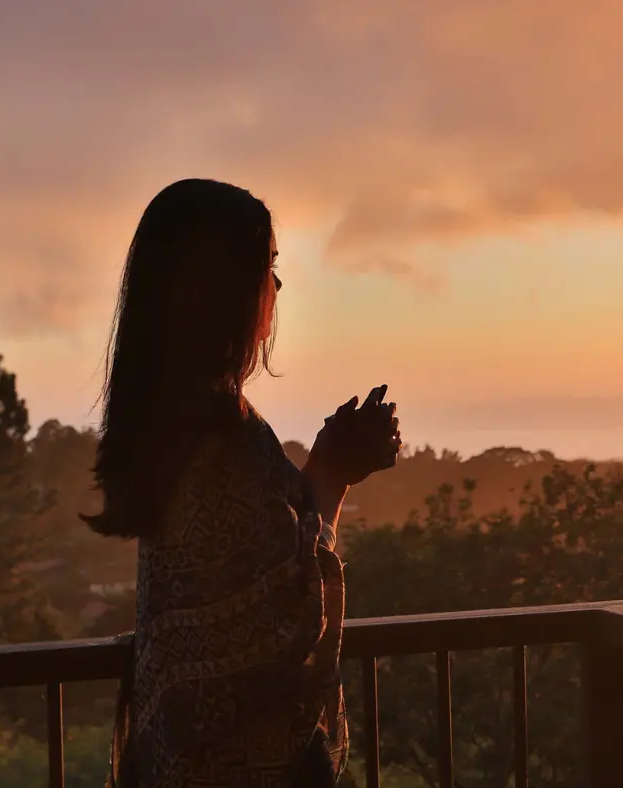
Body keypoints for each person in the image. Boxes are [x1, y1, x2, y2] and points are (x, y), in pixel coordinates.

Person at [83, 178, 400, 787]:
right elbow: (288, 608)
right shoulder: (224, 433)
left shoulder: (164, 425)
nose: (276, 288)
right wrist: (332, 475)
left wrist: (326, 466)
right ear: (220, 289)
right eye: (267, 267)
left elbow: (252, 559)